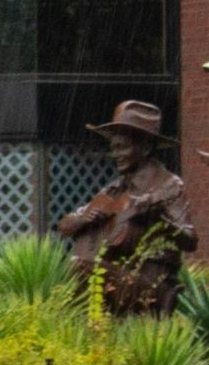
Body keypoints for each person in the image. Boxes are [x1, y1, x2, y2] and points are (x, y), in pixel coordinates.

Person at [55, 100, 199, 315]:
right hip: (113, 273)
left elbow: (190, 240)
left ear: (146, 147)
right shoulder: (114, 189)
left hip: (150, 284)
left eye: (122, 147)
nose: (115, 154)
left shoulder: (169, 186)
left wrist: (162, 220)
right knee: (72, 272)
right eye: (113, 148)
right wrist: (83, 220)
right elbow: (64, 226)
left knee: (78, 269)